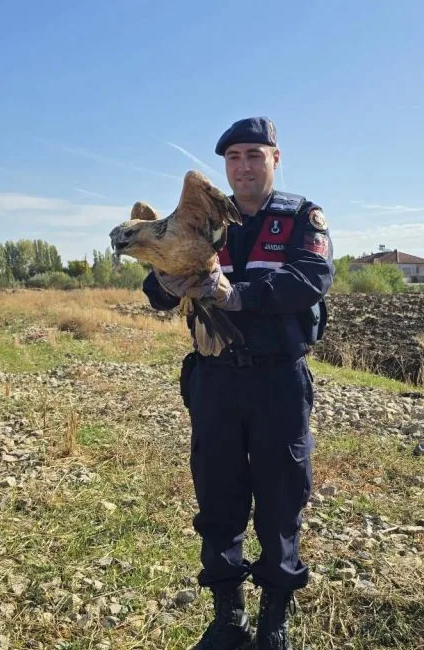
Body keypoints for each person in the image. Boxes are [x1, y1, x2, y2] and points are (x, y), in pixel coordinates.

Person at [142, 117, 334, 650]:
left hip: (278, 380)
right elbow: (156, 289)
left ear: (275, 159)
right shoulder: (199, 219)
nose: (244, 166)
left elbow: (309, 280)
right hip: (215, 381)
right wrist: (164, 280)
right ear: (224, 167)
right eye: (234, 158)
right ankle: (229, 616)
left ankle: (275, 616)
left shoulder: (301, 217)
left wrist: (238, 294)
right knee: (218, 496)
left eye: (254, 154)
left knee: (280, 499)